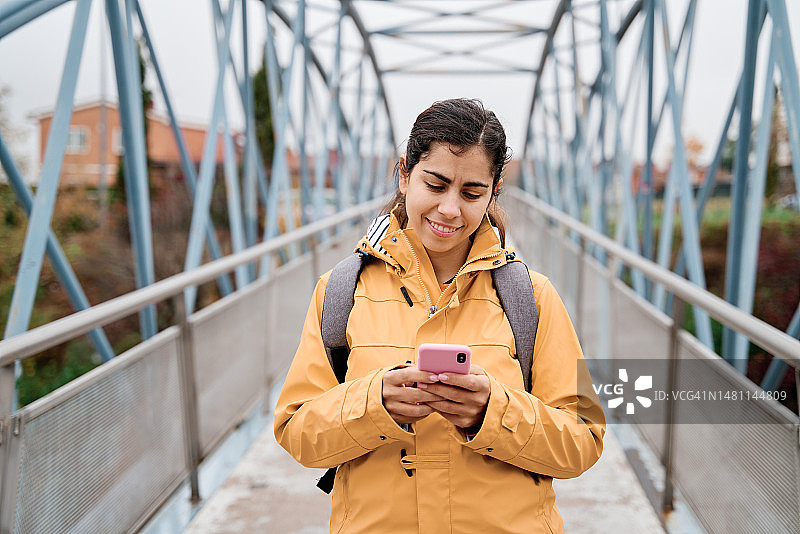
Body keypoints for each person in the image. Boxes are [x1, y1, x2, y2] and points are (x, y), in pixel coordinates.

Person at [274, 98, 605, 533]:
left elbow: (583, 440)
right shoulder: (341, 292)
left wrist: (490, 412)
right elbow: (297, 431)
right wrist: (376, 405)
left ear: (494, 191)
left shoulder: (533, 298)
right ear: (404, 173)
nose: (451, 209)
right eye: (435, 184)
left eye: (472, 193)